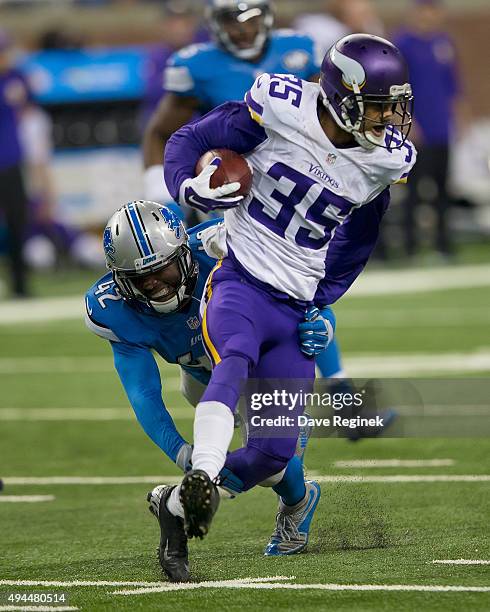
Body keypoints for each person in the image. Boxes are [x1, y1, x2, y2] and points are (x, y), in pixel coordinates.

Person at [162, 34, 416, 571]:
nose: (388, 119)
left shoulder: (384, 160)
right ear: (341, 94)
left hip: (295, 303)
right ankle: (202, 473)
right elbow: (188, 137)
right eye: (377, 107)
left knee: (273, 453)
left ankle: (175, 504)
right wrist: (187, 189)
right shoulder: (280, 105)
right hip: (241, 278)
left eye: (394, 106)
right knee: (235, 355)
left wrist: (321, 300)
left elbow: (360, 237)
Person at [85, 200, 335, 580]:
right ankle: (282, 494)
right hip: (203, 379)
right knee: (254, 458)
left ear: (185, 253)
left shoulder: (228, 246)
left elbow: (309, 297)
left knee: (272, 461)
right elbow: (144, 394)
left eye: (160, 269)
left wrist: (325, 326)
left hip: (263, 362)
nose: (152, 283)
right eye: (139, 278)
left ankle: (296, 503)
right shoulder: (113, 309)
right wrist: (181, 452)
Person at [142, 0, 321, 209]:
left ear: (266, 16)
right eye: (230, 20)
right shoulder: (197, 66)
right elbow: (161, 133)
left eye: (251, 18)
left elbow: (326, 113)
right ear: (214, 22)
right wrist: (158, 186)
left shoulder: (299, 48)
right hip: (234, 177)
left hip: (303, 171)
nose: (243, 30)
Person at [394, 0, 463, 258]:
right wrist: (407, 123)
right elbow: (398, 88)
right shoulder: (403, 44)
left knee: (443, 189)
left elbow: (453, 86)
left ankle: (444, 244)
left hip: (442, 129)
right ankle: (410, 246)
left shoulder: (443, 43)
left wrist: (458, 119)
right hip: (417, 131)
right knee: (413, 190)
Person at [0, 29, 31, 298]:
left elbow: (30, 98)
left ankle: (20, 284)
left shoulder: (16, 77)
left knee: (18, 224)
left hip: (11, 162)